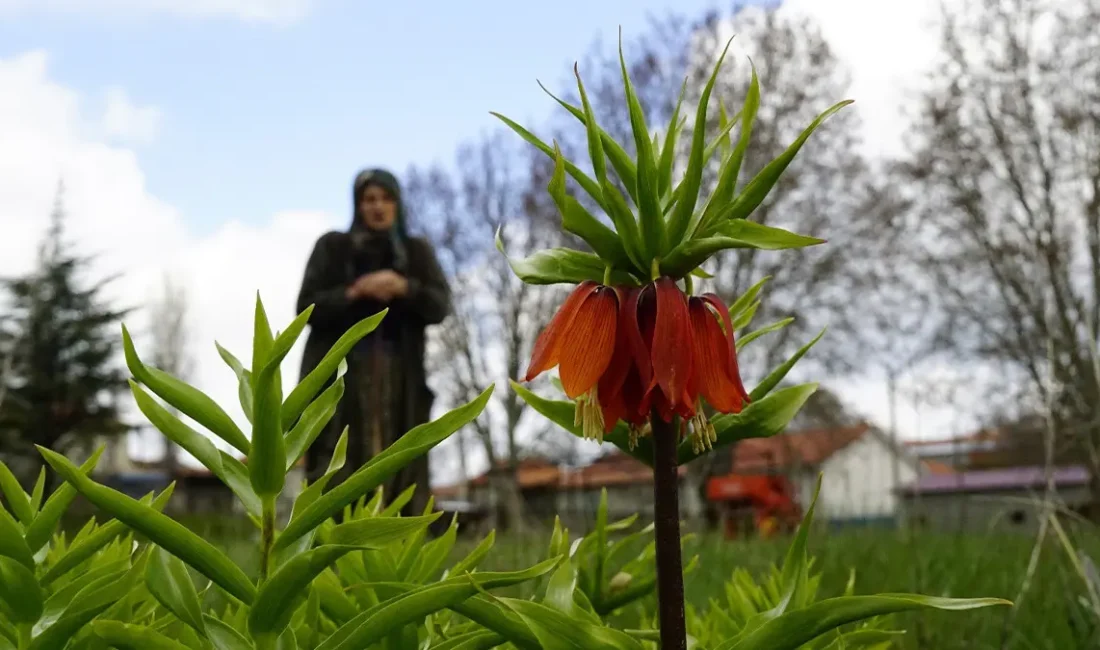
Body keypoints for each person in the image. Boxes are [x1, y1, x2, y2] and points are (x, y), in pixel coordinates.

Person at [295, 168, 451, 517]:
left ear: (397, 204)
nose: (378, 207)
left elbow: (440, 305)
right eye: (369, 199)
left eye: (385, 198)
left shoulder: (415, 252)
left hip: (401, 377)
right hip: (342, 377)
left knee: (402, 460)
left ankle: (399, 550)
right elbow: (306, 307)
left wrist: (405, 288)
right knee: (338, 459)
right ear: (358, 205)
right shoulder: (333, 247)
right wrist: (355, 291)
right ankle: (332, 551)